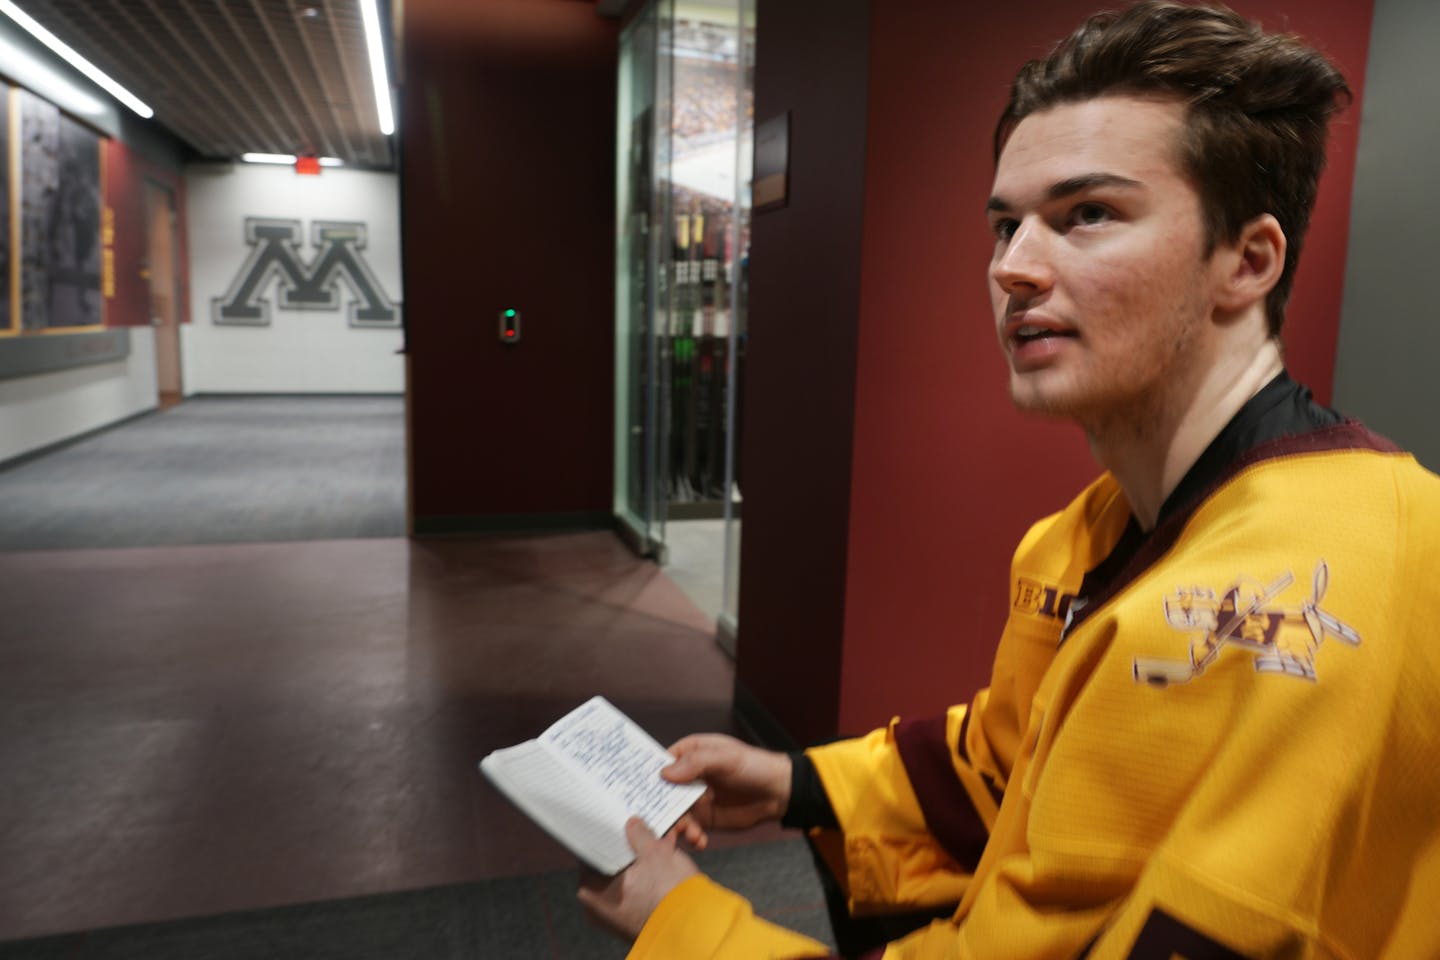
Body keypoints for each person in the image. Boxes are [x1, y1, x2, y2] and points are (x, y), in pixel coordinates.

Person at [577, 2, 1440, 956]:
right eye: (1005, 227)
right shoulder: (1088, 532)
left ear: (1247, 260)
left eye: (1089, 215)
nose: (1013, 269)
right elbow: (1007, 759)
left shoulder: (1339, 580)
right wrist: (797, 784)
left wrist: (684, 926)